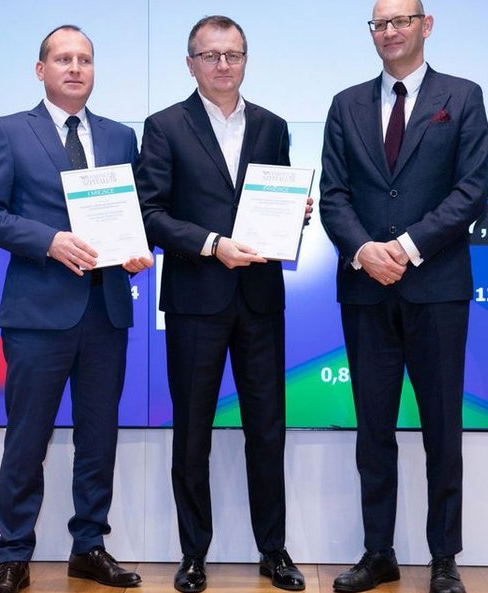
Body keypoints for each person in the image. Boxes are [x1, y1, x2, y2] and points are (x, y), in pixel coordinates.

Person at [0, 25, 152, 593]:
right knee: (28, 438)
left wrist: (135, 251)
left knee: (99, 437)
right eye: (63, 59)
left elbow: (135, 216)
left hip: (106, 310)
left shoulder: (120, 137)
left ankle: (89, 547)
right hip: (37, 315)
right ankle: (13, 555)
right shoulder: (9, 131)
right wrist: (48, 240)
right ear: (40, 69)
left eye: (85, 60)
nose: (75, 68)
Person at [319, 0, 488, 592]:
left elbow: (471, 192)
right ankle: (378, 553)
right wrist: (365, 251)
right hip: (365, 290)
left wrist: (407, 247)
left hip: (437, 289)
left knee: (442, 427)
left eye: (401, 21)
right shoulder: (345, 104)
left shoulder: (461, 97)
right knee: (373, 430)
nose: (389, 31)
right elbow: (334, 194)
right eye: (380, 23)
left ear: (426, 26)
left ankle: (444, 557)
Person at [136, 15, 310, 593]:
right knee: (192, 433)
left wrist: (296, 214)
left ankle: (273, 550)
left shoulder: (272, 126)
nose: (222, 65)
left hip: (260, 300)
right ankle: (193, 554)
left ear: (245, 60)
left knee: (268, 429)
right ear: (191, 64)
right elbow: (151, 214)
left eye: (232, 54)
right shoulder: (165, 126)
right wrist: (213, 244)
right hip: (195, 301)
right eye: (210, 55)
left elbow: (274, 203)